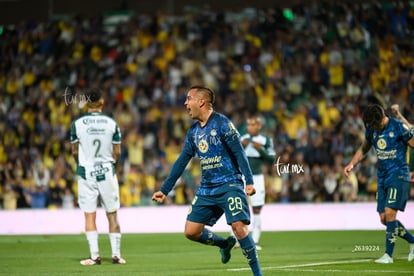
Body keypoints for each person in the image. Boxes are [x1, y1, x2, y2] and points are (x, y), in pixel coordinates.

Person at [152, 85, 263, 276]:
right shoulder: (194, 132)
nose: (185, 103)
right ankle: (223, 244)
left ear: (201, 101)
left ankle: (257, 274)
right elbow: (182, 161)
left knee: (238, 226)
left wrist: (249, 181)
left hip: (230, 184)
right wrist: (165, 189)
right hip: (207, 189)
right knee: (191, 231)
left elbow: (239, 152)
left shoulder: (222, 123)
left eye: (189, 99)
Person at [343, 103, 414, 264]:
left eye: (375, 123)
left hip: (398, 174)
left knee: (390, 213)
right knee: (384, 218)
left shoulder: (398, 127)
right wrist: (351, 164)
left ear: (383, 117)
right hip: (382, 177)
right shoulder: (372, 130)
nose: (373, 127)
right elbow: (363, 149)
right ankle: (412, 241)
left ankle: (388, 256)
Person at [70, 88, 126, 265]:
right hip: (107, 172)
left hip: (86, 173)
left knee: (89, 215)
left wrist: (80, 163)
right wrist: (112, 164)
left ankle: (95, 256)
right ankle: (116, 255)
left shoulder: (77, 124)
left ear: (86, 103)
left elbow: (74, 151)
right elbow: (117, 152)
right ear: (102, 102)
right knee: (112, 214)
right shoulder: (111, 124)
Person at [239, 115, 276, 250]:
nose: (250, 127)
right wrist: (241, 147)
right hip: (241, 177)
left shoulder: (265, 140)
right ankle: (236, 238)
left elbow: (271, 159)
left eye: (253, 124)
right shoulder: (241, 139)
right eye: (248, 124)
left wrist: (260, 149)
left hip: (257, 178)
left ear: (259, 126)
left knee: (257, 209)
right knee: (237, 207)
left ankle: (254, 241)